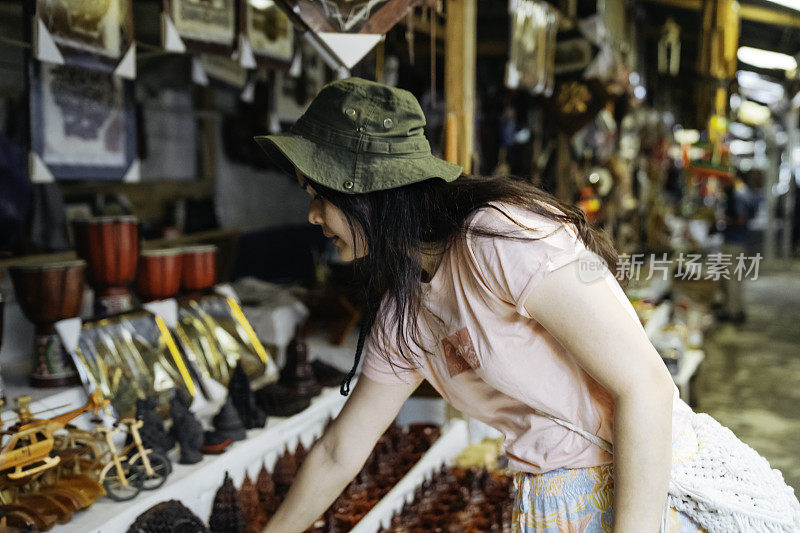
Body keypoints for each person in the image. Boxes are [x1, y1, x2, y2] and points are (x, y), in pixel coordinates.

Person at [254, 78, 704, 532]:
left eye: (318, 195)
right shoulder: (404, 316)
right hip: (550, 505)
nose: (312, 215)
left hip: (641, 495)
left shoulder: (495, 241)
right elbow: (338, 452)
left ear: (365, 190)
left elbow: (647, 385)